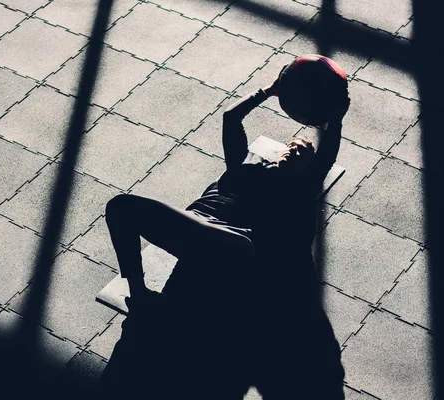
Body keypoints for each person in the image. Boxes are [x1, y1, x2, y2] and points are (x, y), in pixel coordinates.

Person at [98, 67, 351, 400]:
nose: (294, 149)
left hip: (236, 244)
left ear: (311, 168)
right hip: (196, 227)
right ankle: (139, 292)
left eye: (303, 152)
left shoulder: (300, 188)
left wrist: (337, 116)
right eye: (292, 146)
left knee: (237, 251)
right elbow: (231, 118)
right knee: (121, 207)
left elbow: (328, 148)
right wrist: (270, 90)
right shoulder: (242, 164)